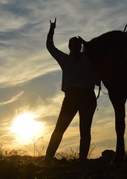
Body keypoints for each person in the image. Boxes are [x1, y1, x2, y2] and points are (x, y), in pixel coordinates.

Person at [44, 18, 100, 165]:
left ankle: (47, 160)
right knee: (84, 131)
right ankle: (81, 161)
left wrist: (52, 30)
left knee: (60, 129)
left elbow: (50, 46)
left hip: (74, 97)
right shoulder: (89, 60)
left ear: (70, 46)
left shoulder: (65, 59)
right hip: (86, 97)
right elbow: (97, 77)